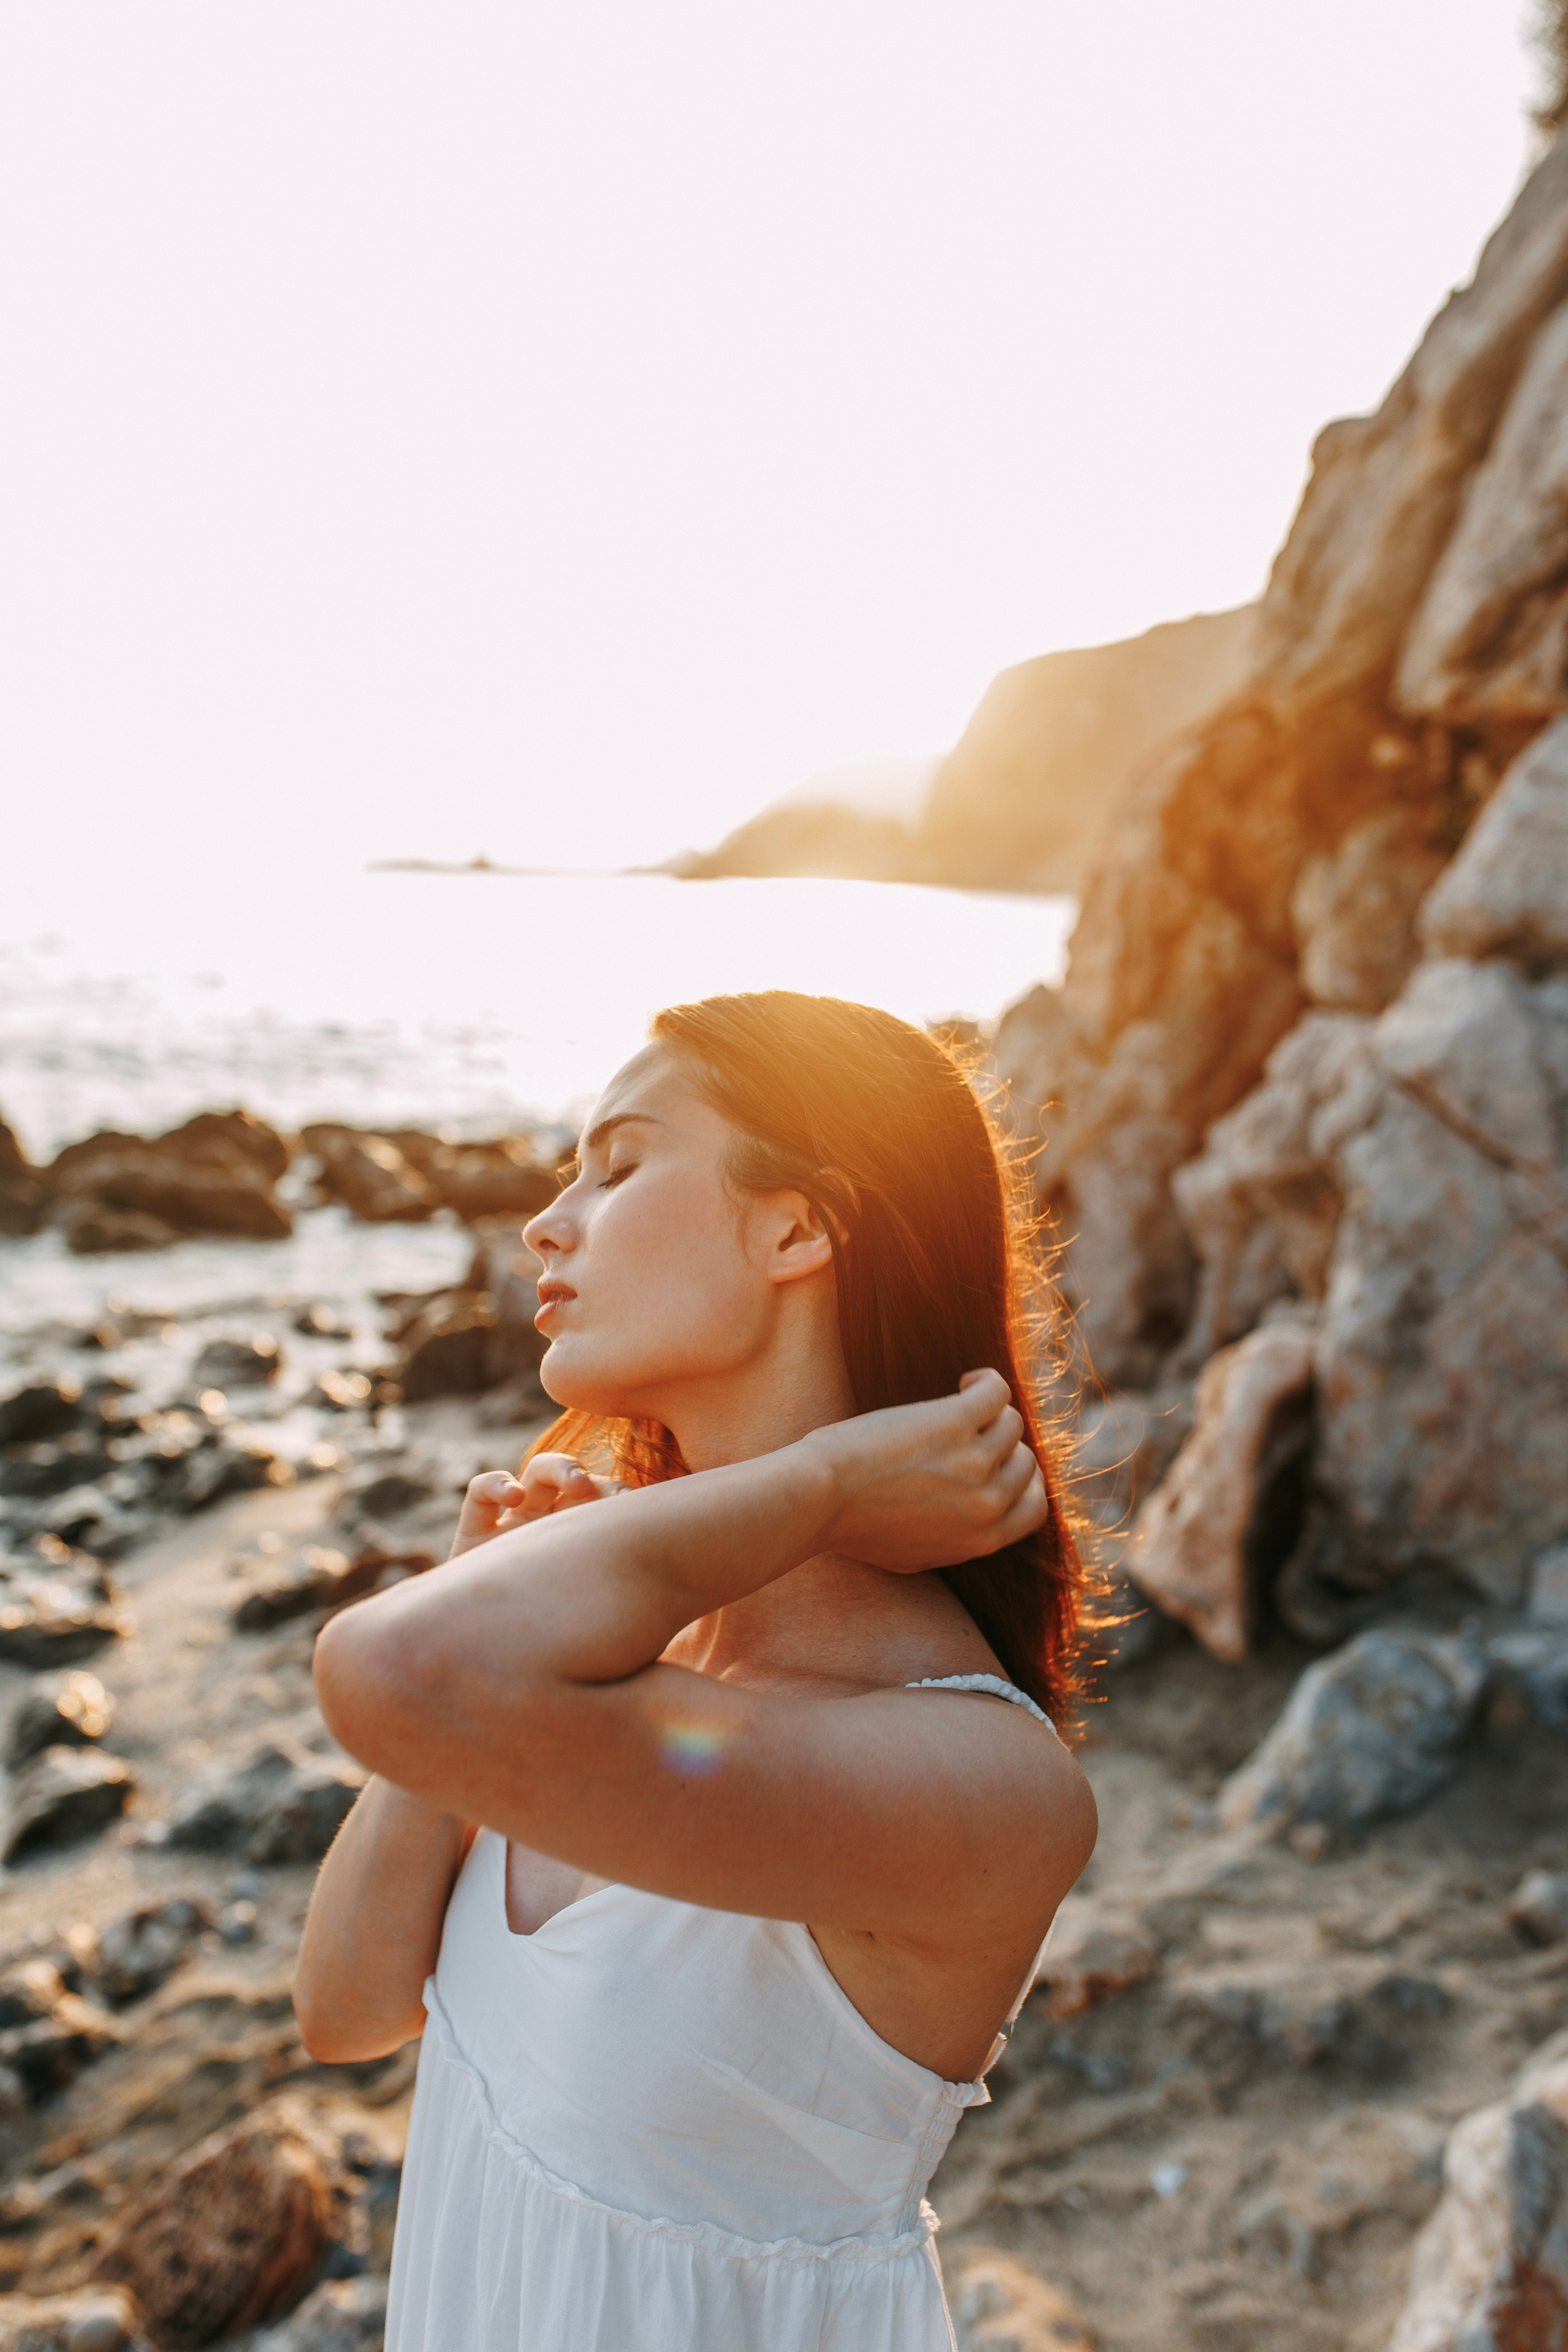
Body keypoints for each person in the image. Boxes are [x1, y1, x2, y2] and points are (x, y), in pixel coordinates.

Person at [295, 990, 1098, 2351]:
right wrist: (516, 1594)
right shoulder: (615, 1664)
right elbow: (347, 2008)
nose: (546, 1225)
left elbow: (390, 1671)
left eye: (617, 1166)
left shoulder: (980, 1776)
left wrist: (825, 1484)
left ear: (796, 1229)